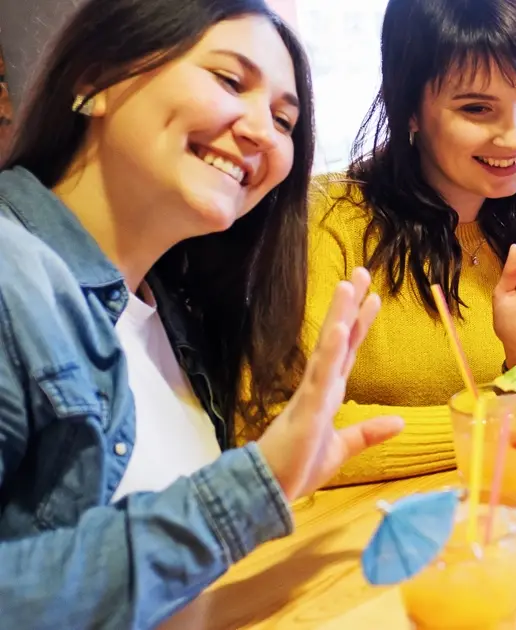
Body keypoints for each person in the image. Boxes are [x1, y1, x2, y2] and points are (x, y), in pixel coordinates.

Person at [0, 0, 403, 626]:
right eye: (228, 80)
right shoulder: (11, 276)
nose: (262, 132)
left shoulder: (179, 309)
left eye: (283, 119)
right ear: (98, 77)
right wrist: (251, 488)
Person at [295, 0, 516, 485]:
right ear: (410, 109)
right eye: (476, 108)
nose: (513, 138)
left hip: (495, 524)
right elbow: (283, 433)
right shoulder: (326, 222)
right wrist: (515, 424)